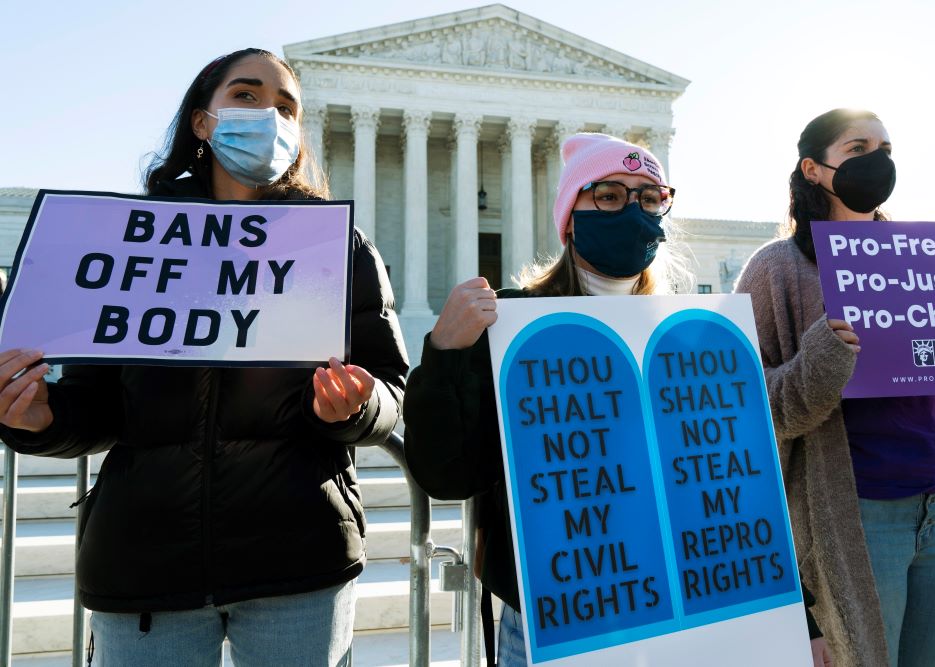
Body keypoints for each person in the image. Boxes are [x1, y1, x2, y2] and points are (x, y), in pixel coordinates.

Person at [0, 48, 408, 666]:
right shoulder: (132, 237)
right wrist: (39, 421)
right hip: (147, 564)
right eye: (245, 96)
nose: (267, 114)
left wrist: (353, 407)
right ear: (201, 121)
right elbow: (98, 404)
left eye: (285, 107)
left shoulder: (335, 248)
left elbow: (388, 390)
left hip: (298, 559)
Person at [403, 132, 830, 666]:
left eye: (649, 198)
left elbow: (733, 485)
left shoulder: (689, 336)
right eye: (608, 195)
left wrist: (801, 616)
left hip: (682, 616)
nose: (632, 209)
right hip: (551, 622)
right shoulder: (507, 327)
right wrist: (444, 350)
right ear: (571, 215)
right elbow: (447, 475)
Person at [736, 108, 935, 667]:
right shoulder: (776, 269)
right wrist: (822, 357)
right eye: (858, 149)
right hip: (861, 516)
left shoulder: (933, 256)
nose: (877, 161)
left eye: (885, 147)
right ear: (813, 169)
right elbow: (751, 410)